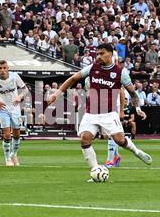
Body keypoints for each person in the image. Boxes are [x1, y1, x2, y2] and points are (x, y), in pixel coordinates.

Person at [47, 43, 152, 182]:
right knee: (85, 138)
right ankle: (96, 170)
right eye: (97, 54)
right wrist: (57, 94)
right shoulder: (92, 68)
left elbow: (133, 93)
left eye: (101, 53)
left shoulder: (121, 73)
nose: (98, 56)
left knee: (119, 140)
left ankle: (136, 151)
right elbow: (73, 78)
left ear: (111, 53)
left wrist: (138, 109)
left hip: (109, 114)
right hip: (91, 113)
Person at [0, 60, 30, 166]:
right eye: (0, 68)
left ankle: (14, 154)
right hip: (3, 109)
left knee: (17, 133)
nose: (2, 70)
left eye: (4, 68)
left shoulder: (14, 76)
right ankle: (7, 158)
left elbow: (25, 89)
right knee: (7, 134)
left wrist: (20, 96)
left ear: (8, 68)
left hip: (15, 108)